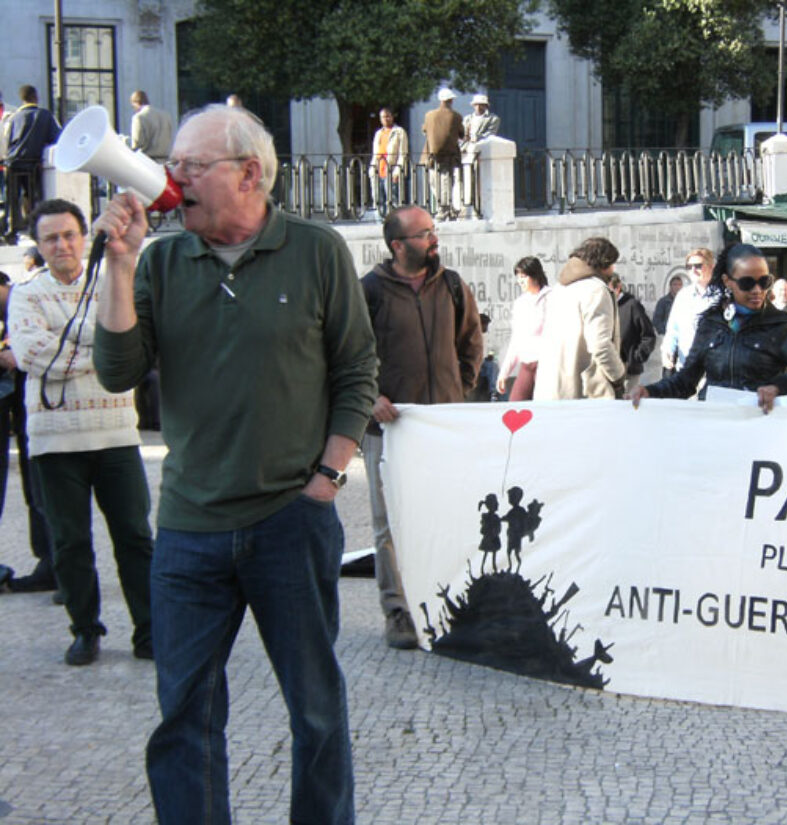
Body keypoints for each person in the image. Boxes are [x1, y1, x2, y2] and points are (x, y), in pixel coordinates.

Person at [92, 103, 377, 823]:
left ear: (248, 173)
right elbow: (118, 371)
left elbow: (356, 370)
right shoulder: (160, 259)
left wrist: (329, 475)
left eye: (190, 165)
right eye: (172, 165)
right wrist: (118, 269)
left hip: (292, 518)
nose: (171, 177)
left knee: (315, 709)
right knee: (183, 716)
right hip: (189, 528)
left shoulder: (316, 252)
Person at [6, 199, 153, 666]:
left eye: (70, 235)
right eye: (51, 238)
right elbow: (34, 357)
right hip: (55, 441)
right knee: (70, 541)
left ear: (84, 237)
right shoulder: (27, 294)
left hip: (115, 435)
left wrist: (78, 338)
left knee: (134, 536)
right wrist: (102, 346)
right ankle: (85, 629)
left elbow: (132, 346)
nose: (63, 245)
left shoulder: (115, 285)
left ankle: (149, 630)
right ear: (40, 245)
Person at [361, 205, 482, 648]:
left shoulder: (451, 285)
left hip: (442, 426)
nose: (434, 239)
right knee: (388, 523)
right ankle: (398, 612)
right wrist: (371, 398)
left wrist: (459, 391)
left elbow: (471, 342)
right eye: (424, 233)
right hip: (389, 429)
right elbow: (349, 355)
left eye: (433, 231)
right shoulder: (370, 291)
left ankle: (446, 601)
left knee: (447, 515)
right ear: (398, 245)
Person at [630, 243, 787, 412]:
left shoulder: (779, 325)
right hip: (715, 428)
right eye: (747, 283)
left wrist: (780, 386)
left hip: (762, 431)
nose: (757, 290)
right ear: (728, 281)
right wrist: (650, 391)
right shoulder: (710, 323)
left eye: (764, 282)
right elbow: (686, 380)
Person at [0, 270, 55, 595]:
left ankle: (54, 564)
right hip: (10, 397)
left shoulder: (30, 300)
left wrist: (17, 355)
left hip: (33, 401)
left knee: (40, 489)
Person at [533, 236, 626, 400]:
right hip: (583, 393)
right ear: (604, 264)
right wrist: (618, 377)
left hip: (551, 389)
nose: (613, 269)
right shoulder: (596, 290)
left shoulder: (559, 289)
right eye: (612, 263)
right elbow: (600, 344)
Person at [3, 85, 61, 244]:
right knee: (34, 197)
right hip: (33, 163)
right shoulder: (44, 116)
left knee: (12, 198)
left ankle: (11, 230)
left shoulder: (14, 117)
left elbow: (6, 141)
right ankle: (35, 227)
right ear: (36, 97)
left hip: (13, 163)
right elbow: (56, 138)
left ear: (22, 98)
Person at [497, 256, 550, 401]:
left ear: (535, 275)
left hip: (547, 365)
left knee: (544, 409)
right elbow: (516, 341)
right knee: (515, 404)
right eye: (518, 277)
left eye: (523, 276)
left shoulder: (551, 297)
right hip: (526, 364)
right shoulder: (520, 303)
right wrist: (504, 373)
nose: (520, 281)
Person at [661, 248, 720, 374]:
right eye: (689, 267)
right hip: (687, 370)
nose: (693, 270)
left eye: (698, 266)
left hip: (715, 371)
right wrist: (667, 350)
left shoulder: (722, 295)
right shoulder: (683, 296)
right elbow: (672, 330)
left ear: (711, 267)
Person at [609, 273, 656, 393]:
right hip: (610, 369)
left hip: (629, 371)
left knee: (628, 407)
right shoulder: (606, 307)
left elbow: (648, 335)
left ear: (618, 288)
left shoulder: (632, 305)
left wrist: (636, 357)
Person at [422, 88, 464, 220]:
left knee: (434, 181)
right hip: (449, 154)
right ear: (451, 100)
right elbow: (461, 134)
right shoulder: (456, 116)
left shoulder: (429, 115)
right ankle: (445, 209)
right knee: (446, 181)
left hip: (431, 154)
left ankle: (443, 207)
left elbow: (424, 130)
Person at [370, 107, 408, 214]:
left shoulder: (399, 132)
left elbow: (402, 153)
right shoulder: (378, 133)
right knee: (377, 199)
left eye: (388, 116)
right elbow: (375, 152)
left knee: (392, 199)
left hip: (391, 169)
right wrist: (372, 169)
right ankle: (379, 220)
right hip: (378, 169)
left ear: (392, 117)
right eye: (383, 117)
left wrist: (397, 171)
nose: (385, 119)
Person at [129, 90, 174, 162]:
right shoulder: (166, 115)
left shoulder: (139, 117)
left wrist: (124, 141)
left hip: (147, 161)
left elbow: (136, 143)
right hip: (165, 160)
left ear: (135, 103)